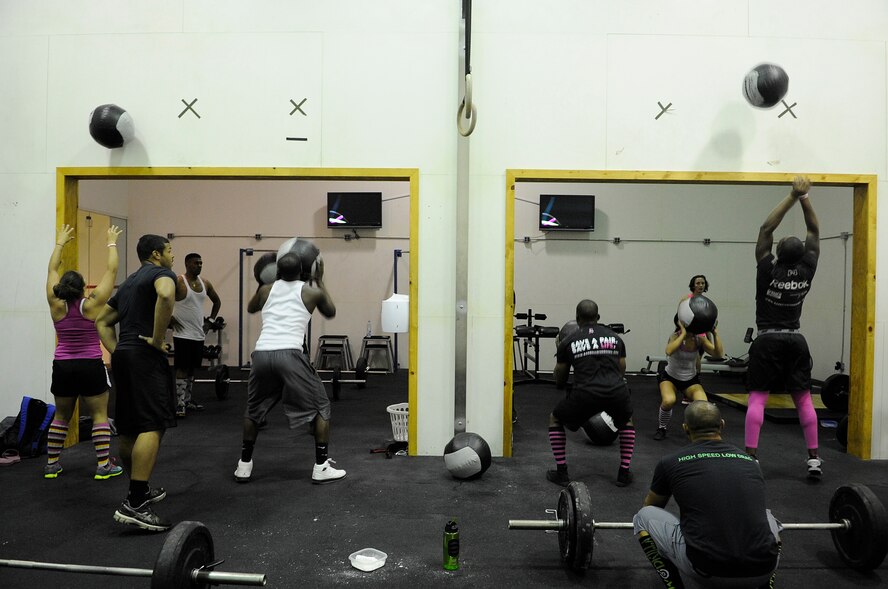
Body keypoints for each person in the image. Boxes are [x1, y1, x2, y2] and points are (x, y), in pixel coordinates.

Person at [634, 401, 781, 588]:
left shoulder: (669, 462)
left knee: (642, 517)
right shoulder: (751, 462)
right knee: (769, 517)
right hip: (764, 569)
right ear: (722, 425)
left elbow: (652, 506)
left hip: (707, 571)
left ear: (685, 428)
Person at [234, 252, 345, 484]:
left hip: (262, 353)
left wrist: (262, 282)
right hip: (291, 354)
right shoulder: (311, 291)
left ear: (277, 272)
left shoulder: (266, 290)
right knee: (322, 407)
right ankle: (321, 467)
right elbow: (331, 311)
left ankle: (244, 466)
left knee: (253, 409)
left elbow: (251, 307)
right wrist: (320, 280)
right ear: (304, 271)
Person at [96, 234, 177, 532]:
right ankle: (135, 504)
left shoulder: (129, 282)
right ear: (156, 254)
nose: (172, 256)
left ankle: (139, 491)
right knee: (153, 424)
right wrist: (157, 340)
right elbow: (167, 295)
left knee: (130, 426)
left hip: (126, 356)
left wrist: (118, 350)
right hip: (145, 355)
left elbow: (101, 321)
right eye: (169, 251)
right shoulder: (160, 273)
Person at [745, 175, 822, 480]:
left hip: (767, 339)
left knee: (758, 398)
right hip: (795, 339)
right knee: (803, 398)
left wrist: (792, 196)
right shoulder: (808, 268)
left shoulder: (767, 268)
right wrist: (805, 198)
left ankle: (751, 457)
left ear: (777, 252)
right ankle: (814, 459)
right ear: (802, 253)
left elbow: (766, 228)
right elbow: (814, 230)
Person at [44, 223, 124, 480]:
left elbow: (51, 269)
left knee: (62, 416)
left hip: (63, 366)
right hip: (90, 364)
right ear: (82, 289)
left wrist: (60, 242)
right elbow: (112, 269)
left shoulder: (55, 304)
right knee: (100, 414)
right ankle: (103, 465)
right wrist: (111, 241)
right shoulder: (91, 305)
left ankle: (52, 464)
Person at [548, 299, 635, 487]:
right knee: (626, 420)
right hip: (616, 391)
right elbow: (622, 371)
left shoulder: (568, 341)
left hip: (585, 393)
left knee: (555, 418)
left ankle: (562, 472)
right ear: (598, 317)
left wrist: (560, 350)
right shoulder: (616, 338)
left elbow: (560, 381)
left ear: (577, 318)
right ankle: (624, 473)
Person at [653, 316, 723, 440]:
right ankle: (662, 427)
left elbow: (718, 354)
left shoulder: (700, 339)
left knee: (703, 406)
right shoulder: (675, 336)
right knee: (669, 400)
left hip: (690, 380)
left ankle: (696, 433)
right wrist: (683, 334)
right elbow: (668, 351)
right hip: (670, 377)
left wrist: (715, 334)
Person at [171, 253, 221, 417]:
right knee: (182, 368)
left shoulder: (205, 283)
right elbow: (161, 300)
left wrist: (210, 321)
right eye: (195, 263)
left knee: (192, 368)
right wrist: (169, 320)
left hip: (198, 334)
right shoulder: (178, 281)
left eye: (201, 262)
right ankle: (179, 404)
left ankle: (187, 400)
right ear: (187, 264)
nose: (199, 265)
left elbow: (217, 301)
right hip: (182, 334)